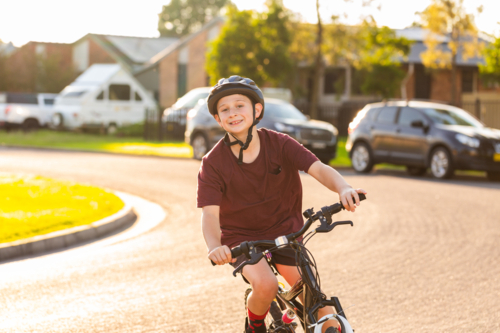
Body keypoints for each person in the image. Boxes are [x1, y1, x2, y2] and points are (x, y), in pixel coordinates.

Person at [197, 76, 366, 333]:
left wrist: (344, 188)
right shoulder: (213, 163)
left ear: (257, 110)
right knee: (266, 285)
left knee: (320, 306)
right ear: (218, 119)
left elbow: (317, 168)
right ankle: (254, 323)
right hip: (241, 238)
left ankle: (293, 317)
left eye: (239, 105)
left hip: (286, 231)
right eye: (224, 109)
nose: (232, 113)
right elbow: (210, 214)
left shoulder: (280, 143)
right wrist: (214, 246)